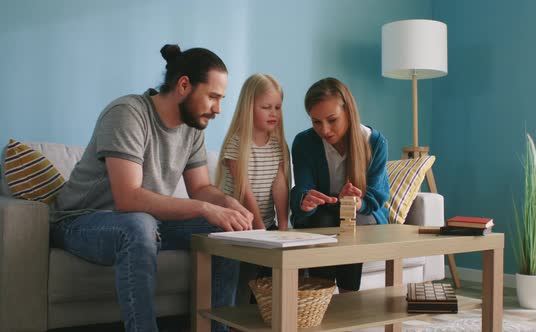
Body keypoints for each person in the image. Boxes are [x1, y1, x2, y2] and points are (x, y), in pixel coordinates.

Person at [50, 44, 253, 332]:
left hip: (144, 222)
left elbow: (201, 188)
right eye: (213, 97)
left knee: (223, 228)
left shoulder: (193, 128)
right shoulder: (128, 113)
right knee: (139, 224)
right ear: (184, 85)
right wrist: (206, 208)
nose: (218, 109)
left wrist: (226, 204)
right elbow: (128, 198)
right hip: (80, 221)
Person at [290, 77, 389, 293]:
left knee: (351, 222)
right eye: (316, 122)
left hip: (360, 213)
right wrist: (305, 200)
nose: (324, 130)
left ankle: (348, 295)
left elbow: (378, 195)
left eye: (332, 120)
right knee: (323, 220)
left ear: (348, 112)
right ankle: (320, 295)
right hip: (321, 213)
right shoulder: (304, 143)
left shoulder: (375, 142)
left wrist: (355, 202)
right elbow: (301, 189)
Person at [215, 73, 290, 304]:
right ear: (249, 108)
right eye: (266, 107)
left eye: (277, 107)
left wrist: (284, 229)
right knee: (240, 274)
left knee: (291, 266)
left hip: (265, 225)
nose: (273, 113)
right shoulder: (236, 143)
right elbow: (244, 191)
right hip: (239, 225)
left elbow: (280, 187)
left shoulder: (278, 145)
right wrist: (260, 233)